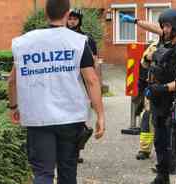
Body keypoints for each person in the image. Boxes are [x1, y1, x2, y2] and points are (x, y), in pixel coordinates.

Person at [8, 0, 105, 183]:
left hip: (38, 118)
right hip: (70, 118)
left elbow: (13, 80)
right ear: (68, 14)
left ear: (46, 14)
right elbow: (92, 80)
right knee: (67, 171)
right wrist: (100, 115)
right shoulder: (77, 42)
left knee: (43, 173)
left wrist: (14, 107)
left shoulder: (25, 42)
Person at [121, 9, 176, 184]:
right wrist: (148, 61)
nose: (164, 29)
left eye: (167, 26)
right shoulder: (164, 41)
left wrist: (161, 89)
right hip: (159, 102)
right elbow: (153, 29)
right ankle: (162, 175)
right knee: (160, 141)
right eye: (163, 26)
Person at [67, 8, 99, 163]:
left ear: (79, 20)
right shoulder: (62, 37)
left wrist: (95, 84)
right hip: (66, 81)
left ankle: (76, 150)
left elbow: (94, 61)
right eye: (70, 18)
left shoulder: (87, 38)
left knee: (81, 117)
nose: (72, 21)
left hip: (83, 81)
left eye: (75, 18)